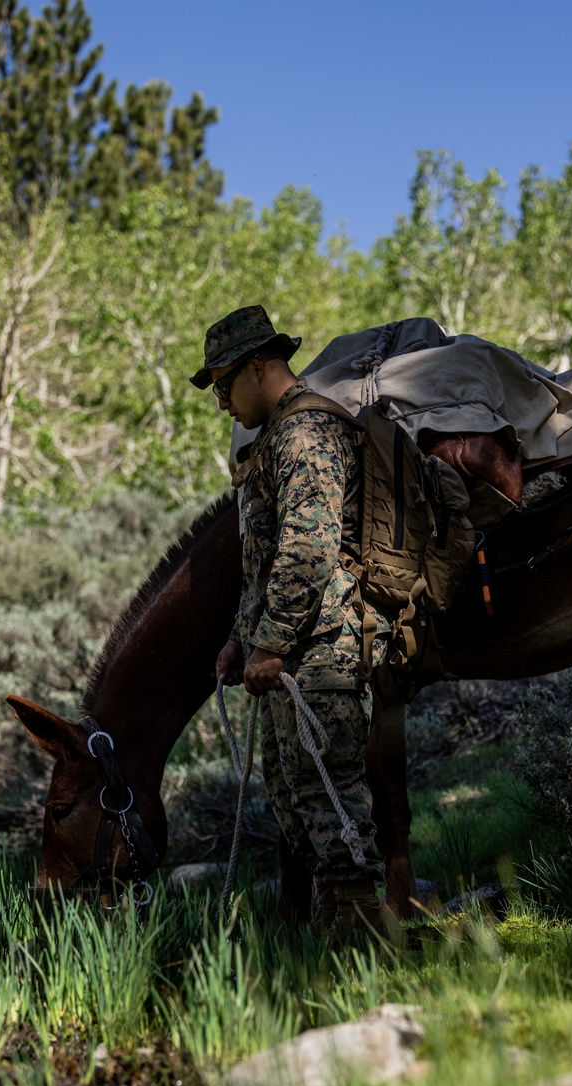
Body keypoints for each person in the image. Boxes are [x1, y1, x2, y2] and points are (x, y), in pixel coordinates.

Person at [190, 304, 390, 942]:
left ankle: (364, 942)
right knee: (297, 802)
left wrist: (270, 646)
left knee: (331, 800)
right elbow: (265, 561)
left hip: (320, 657)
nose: (221, 401)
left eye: (223, 383)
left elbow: (308, 550)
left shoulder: (304, 436)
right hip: (285, 662)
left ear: (258, 366)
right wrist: (238, 641)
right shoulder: (273, 440)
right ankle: (339, 937)